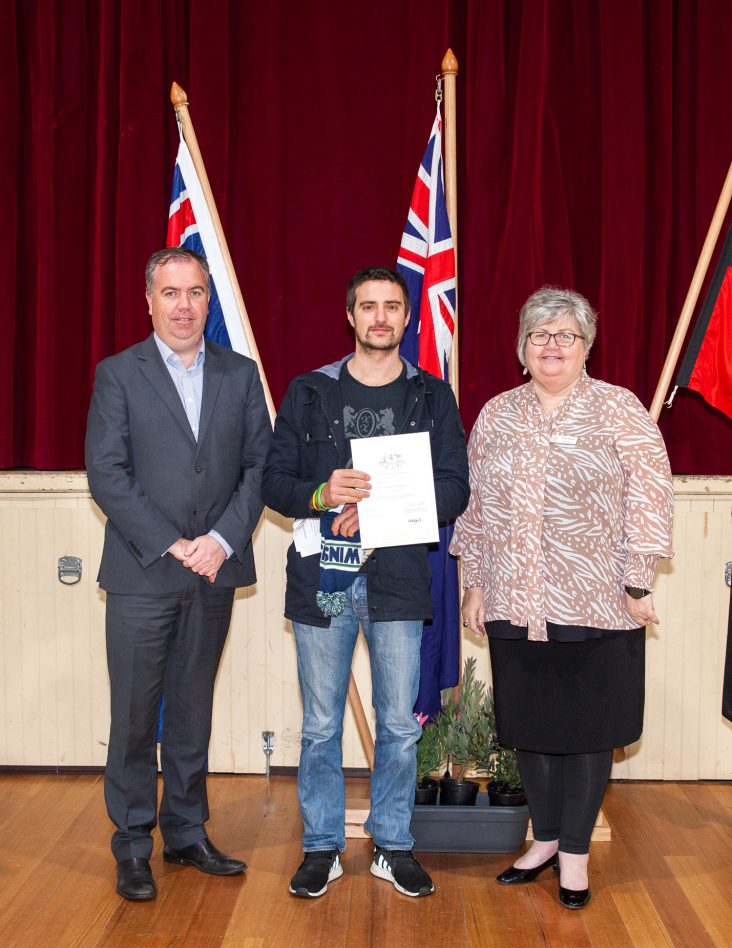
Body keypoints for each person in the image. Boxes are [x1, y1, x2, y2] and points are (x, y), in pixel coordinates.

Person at [451, 286, 673, 909]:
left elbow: (650, 498)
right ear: (522, 348)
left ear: (585, 347)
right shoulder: (497, 415)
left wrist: (637, 582)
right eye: (540, 335)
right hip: (514, 601)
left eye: (565, 335)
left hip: (599, 601)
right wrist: (475, 583)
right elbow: (478, 508)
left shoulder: (619, 410)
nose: (552, 345)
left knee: (588, 731)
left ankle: (574, 853)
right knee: (533, 730)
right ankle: (544, 840)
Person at [262, 266, 469, 899]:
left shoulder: (432, 397)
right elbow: (273, 483)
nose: (380, 318)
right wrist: (323, 492)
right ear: (350, 316)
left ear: (407, 318)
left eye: (393, 307)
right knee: (322, 722)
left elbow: (456, 489)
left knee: (400, 724)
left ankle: (392, 845)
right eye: (368, 307)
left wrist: (382, 506)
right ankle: (322, 846)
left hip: (399, 579)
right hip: (323, 575)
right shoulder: (308, 392)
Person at [85, 246, 270, 901]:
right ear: (149, 300)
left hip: (214, 572)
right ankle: (133, 846)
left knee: (193, 714)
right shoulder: (118, 374)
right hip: (142, 575)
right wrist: (171, 543)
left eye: (195, 293)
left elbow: (259, 469)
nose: (184, 306)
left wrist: (221, 539)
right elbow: (106, 472)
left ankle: (187, 834)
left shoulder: (240, 375)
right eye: (171, 293)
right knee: (135, 718)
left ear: (207, 300)